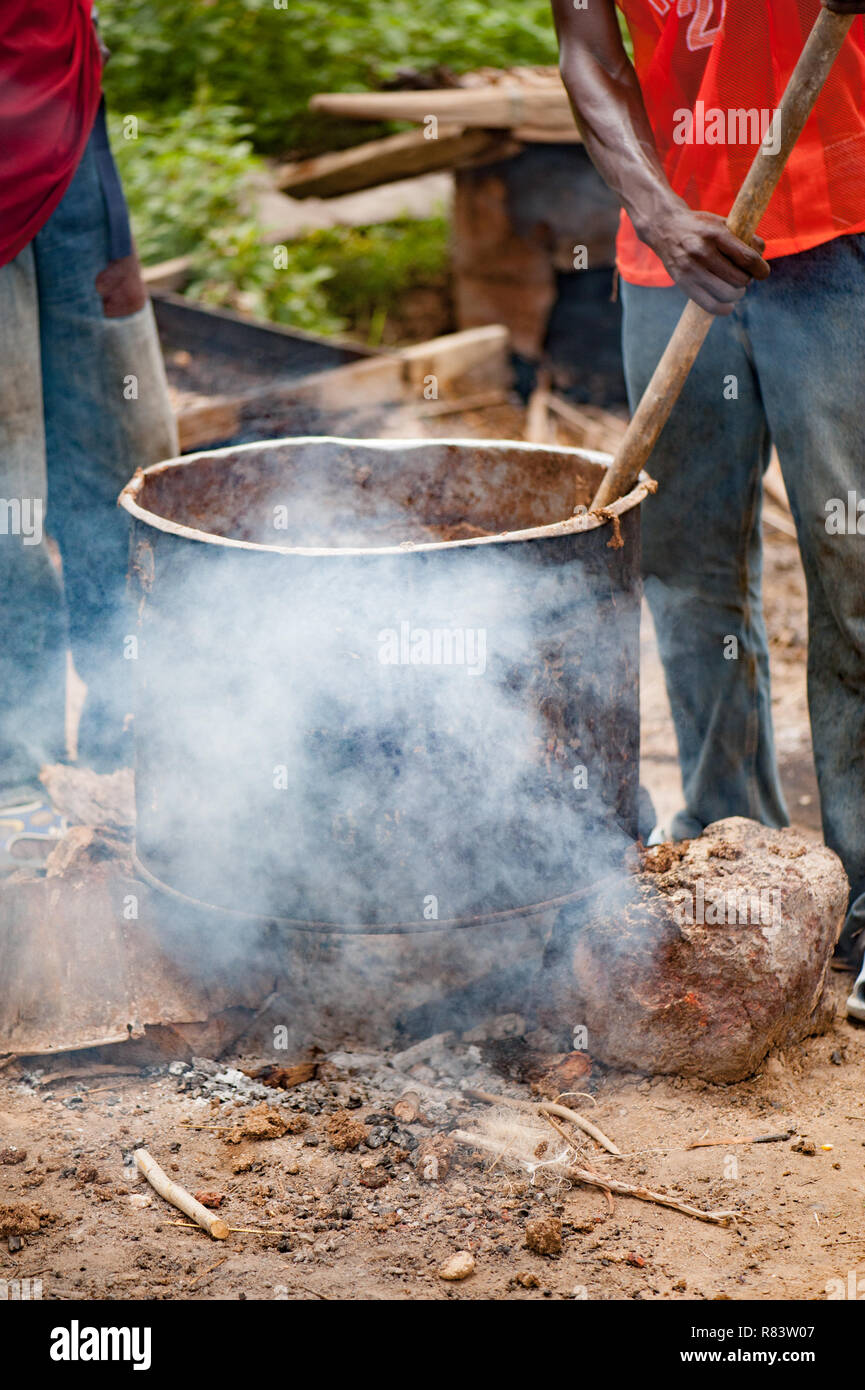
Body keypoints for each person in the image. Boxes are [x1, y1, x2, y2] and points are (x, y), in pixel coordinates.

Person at [551, 0, 865, 1020]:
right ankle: (738, 860)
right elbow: (586, 49)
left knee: (853, 567)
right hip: (674, 256)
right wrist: (658, 214)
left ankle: (863, 901)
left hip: (840, 231)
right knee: (684, 573)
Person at [0, 1, 177, 868]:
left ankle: (128, 740)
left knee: (127, 463)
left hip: (64, 132)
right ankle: (12, 777)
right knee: (7, 506)